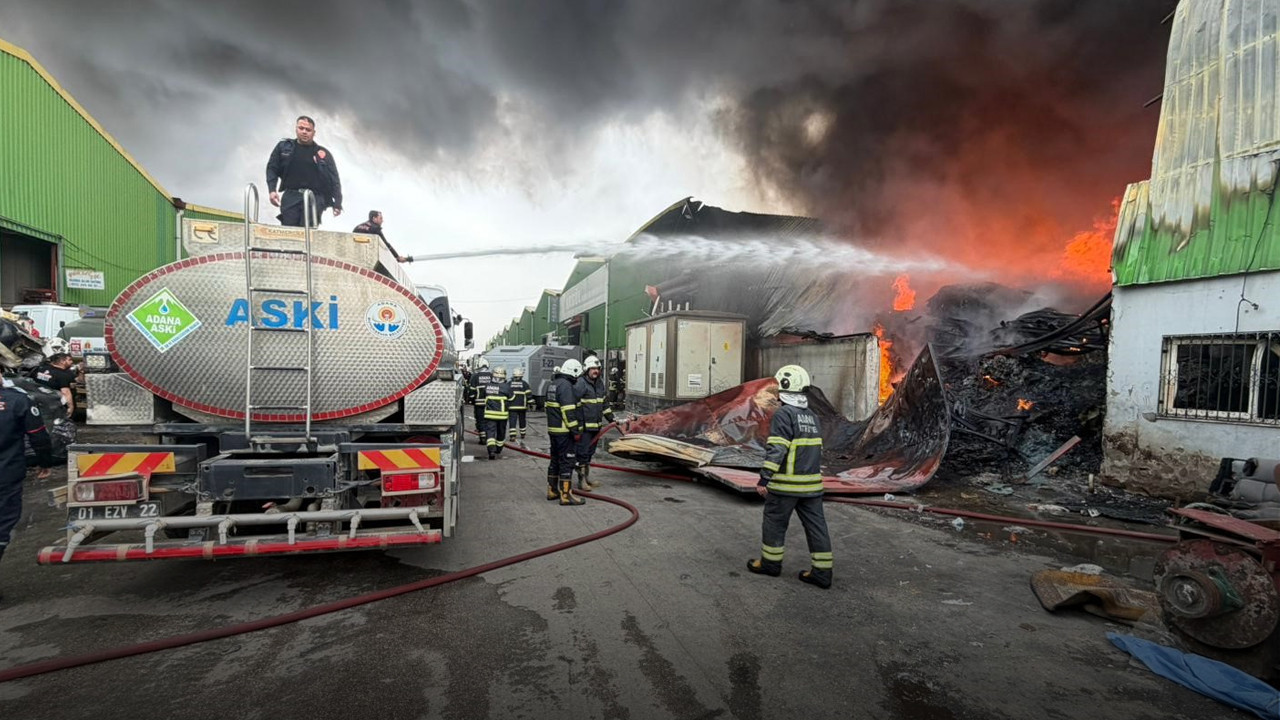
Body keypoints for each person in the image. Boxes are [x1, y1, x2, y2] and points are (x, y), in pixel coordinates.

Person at [747, 365, 833, 589]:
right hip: (812, 486)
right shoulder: (812, 416)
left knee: (774, 523)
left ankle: (770, 564)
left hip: (786, 486)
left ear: (784, 387)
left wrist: (765, 478)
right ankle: (822, 572)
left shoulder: (784, 414)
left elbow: (778, 449)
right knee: (817, 527)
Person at [1, 375, 54, 599]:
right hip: (5, 474)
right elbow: (38, 436)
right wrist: (45, 462)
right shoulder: (17, 400)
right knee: (2, 524)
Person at [265, 115, 343, 228]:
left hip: (314, 197)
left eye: (308, 130)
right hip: (291, 195)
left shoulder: (322, 153)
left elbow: (334, 178)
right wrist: (272, 190)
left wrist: (338, 203)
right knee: (289, 230)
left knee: (308, 232)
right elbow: (272, 168)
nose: (304, 132)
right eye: (301, 128)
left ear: (314, 132)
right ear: (296, 129)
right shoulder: (284, 147)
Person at [545, 359, 584, 506]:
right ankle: (566, 495)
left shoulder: (552, 384)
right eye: (577, 375)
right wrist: (575, 431)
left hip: (553, 430)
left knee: (554, 460)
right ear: (573, 372)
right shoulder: (566, 386)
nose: (577, 378)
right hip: (564, 432)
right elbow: (568, 411)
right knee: (567, 462)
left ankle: (552, 490)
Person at [573, 355, 614, 491]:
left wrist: (612, 419)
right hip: (584, 428)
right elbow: (573, 404)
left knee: (589, 454)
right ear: (586, 369)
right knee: (582, 454)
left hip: (596, 427)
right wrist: (577, 425)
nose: (596, 371)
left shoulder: (600, 384)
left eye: (597, 368)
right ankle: (581, 481)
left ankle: (587, 478)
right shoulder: (581, 383)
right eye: (593, 368)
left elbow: (604, 404)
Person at [29, 352, 76, 417]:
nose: (72, 362)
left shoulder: (40, 369)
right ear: (62, 361)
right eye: (69, 360)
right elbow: (65, 392)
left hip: (36, 400)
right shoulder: (63, 375)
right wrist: (71, 407)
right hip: (53, 404)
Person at [483, 367, 513, 460]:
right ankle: (498, 449)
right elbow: (512, 398)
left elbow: (484, 396)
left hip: (489, 414)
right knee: (501, 433)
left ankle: (491, 451)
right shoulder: (507, 387)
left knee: (490, 433)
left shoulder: (487, 386)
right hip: (502, 415)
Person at [468, 358, 493, 445]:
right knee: (490, 420)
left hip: (479, 403)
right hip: (491, 403)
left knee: (480, 420)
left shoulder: (475, 376)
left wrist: (471, 399)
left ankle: (483, 438)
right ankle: (490, 437)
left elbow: (471, 390)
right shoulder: (492, 375)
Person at [507, 366, 531, 444]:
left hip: (512, 406)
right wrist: (531, 403)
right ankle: (523, 434)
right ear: (521, 376)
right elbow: (529, 395)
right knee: (522, 420)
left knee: (512, 421)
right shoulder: (525, 384)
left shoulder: (509, 383)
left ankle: (512, 436)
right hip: (522, 406)